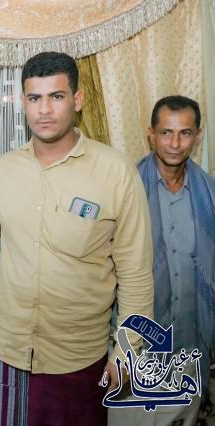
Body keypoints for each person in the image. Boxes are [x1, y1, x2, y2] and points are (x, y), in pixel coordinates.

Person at [0, 51, 154, 426]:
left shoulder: (115, 172)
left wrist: (127, 353)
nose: (44, 109)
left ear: (77, 100)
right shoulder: (5, 169)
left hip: (78, 360)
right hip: (10, 352)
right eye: (35, 98)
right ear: (23, 102)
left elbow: (137, 274)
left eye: (56, 96)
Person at [108, 96, 215, 426]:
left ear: (197, 136)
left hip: (190, 343)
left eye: (185, 133)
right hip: (138, 346)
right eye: (166, 132)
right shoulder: (125, 189)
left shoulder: (209, 194)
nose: (175, 143)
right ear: (150, 134)